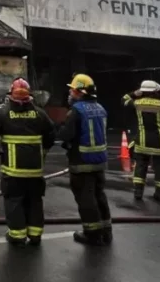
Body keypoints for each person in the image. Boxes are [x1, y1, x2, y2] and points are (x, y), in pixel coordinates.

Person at [0, 78, 56, 246]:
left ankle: (17, 235)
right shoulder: (39, 114)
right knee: (34, 201)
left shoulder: (4, 113)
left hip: (13, 172)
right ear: (29, 96)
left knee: (14, 201)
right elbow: (51, 133)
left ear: (11, 95)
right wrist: (44, 150)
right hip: (35, 171)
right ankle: (35, 235)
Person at [59, 73, 112, 246]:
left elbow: (66, 135)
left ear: (81, 92)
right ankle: (106, 231)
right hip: (99, 162)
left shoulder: (77, 111)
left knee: (86, 198)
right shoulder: (100, 108)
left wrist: (58, 132)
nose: (70, 93)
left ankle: (92, 234)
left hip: (82, 162)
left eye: (73, 90)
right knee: (99, 195)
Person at [123, 80, 160, 202]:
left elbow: (124, 99)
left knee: (140, 166)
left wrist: (135, 93)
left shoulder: (137, 103)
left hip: (142, 142)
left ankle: (138, 192)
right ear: (156, 92)